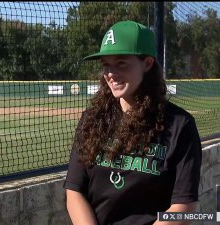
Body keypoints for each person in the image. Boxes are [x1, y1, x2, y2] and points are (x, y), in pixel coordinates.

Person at [63, 20, 202, 225]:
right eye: (106, 64)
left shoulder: (180, 125)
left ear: (147, 64)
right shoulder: (92, 120)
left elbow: (184, 206)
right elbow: (74, 190)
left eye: (121, 63)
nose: (110, 73)